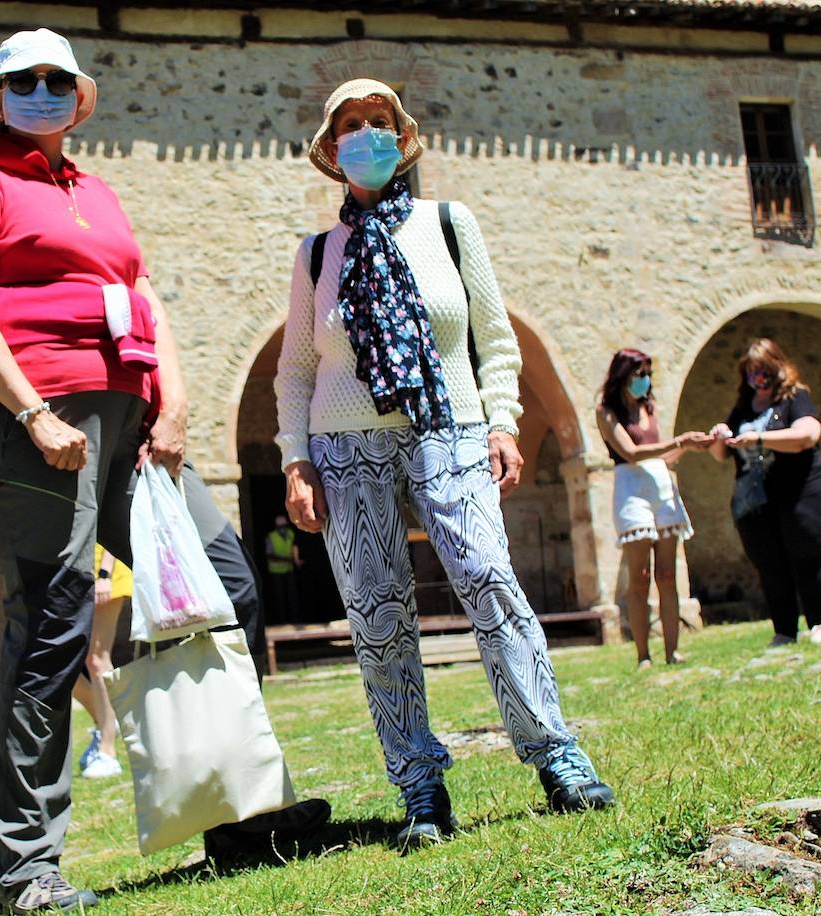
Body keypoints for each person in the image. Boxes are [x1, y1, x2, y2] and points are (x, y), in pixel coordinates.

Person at [0, 29, 326, 912]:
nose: (40, 91)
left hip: (134, 429)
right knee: (55, 628)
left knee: (228, 586)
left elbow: (141, 298)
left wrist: (174, 403)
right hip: (37, 428)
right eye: (21, 81)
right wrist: (33, 412)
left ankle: (241, 817)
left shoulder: (94, 192)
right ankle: (26, 869)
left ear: (79, 96)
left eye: (56, 79)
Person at [275, 78, 615, 848]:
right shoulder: (317, 254)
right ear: (331, 151)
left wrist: (504, 419)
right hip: (344, 442)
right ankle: (421, 790)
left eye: (380, 122)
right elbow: (296, 370)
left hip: (449, 424)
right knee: (376, 612)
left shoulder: (451, 225)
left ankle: (556, 753)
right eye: (351, 126)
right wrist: (296, 460)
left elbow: (495, 339)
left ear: (403, 138)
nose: (367, 135)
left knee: (489, 576)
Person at [706, 338, 821, 647]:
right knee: (770, 564)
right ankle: (784, 631)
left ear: (778, 367)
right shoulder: (743, 408)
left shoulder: (795, 397)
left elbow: (807, 435)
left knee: (806, 555)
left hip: (801, 490)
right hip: (755, 500)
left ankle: (820, 622)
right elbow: (720, 455)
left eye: (763, 370)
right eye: (751, 371)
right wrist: (719, 436)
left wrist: (760, 438)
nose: (758, 377)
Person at [595, 349, 712, 669]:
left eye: (648, 374)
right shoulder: (606, 411)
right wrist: (678, 441)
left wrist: (689, 447)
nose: (645, 380)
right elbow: (631, 452)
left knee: (666, 573)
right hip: (631, 489)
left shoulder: (650, 408)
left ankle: (672, 650)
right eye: (639, 374)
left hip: (660, 486)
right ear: (623, 375)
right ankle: (643, 654)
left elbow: (662, 457)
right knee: (640, 576)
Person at [70, 545, 129, 779]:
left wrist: (105, 573)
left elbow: (112, 517)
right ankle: (105, 722)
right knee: (62, 665)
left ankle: (107, 751)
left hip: (105, 570)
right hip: (75, 569)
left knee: (96, 659)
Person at [264, 514, 302, 624]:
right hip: (276, 572)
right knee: (280, 597)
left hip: (289, 570)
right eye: (281, 526)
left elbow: (294, 547)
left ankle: (295, 619)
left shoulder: (290, 534)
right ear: (276, 527)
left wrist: (296, 560)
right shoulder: (271, 537)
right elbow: (269, 555)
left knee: (292, 596)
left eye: (284, 526)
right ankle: (282, 621)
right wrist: (286, 560)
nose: (283, 528)